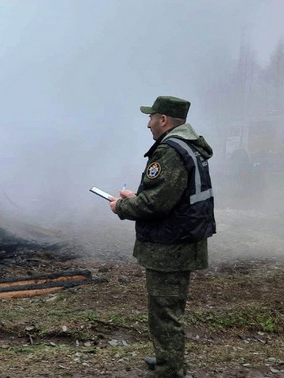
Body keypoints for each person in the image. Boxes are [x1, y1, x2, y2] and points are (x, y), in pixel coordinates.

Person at [109, 96, 216, 377]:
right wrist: (139, 196)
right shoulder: (189, 147)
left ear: (164, 120)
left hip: (170, 246)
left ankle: (171, 370)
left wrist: (122, 206)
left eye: (151, 117)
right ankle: (169, 359)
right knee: (168, 308)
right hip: (181, 240)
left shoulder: (170, 151)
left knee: (165, 311)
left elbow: (156, 204)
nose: (148, 123)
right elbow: (171, 195)